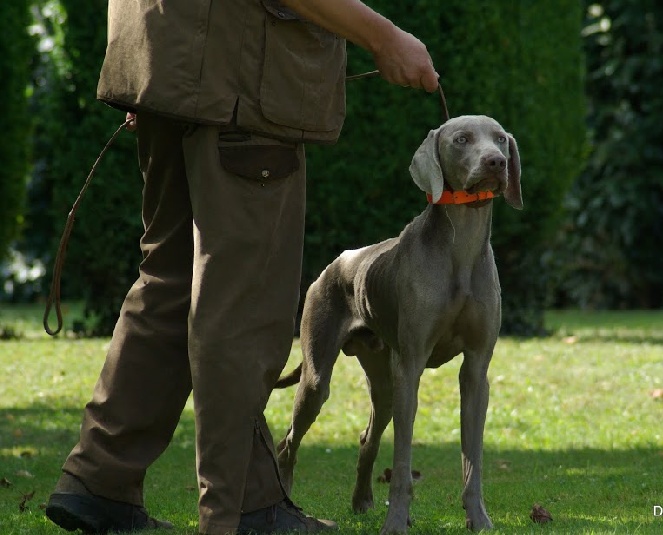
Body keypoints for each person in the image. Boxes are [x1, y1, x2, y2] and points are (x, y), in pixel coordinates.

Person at [44, 0, 439, 533]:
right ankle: (230, 516)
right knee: (241, 306)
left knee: (170, 283)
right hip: (239, 85)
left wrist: (163, 72)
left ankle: (103, 480)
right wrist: (384, 38)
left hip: (168, 66)